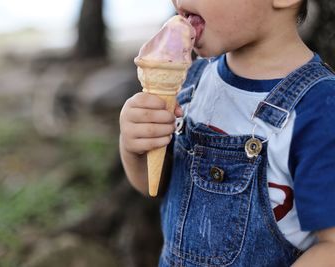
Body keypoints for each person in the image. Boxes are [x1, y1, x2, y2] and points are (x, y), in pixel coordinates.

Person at [119, 0, 335, 266]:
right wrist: (135, 148)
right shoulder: (190, 82)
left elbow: (331, 246)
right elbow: (156, 187)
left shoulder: (319, 108)